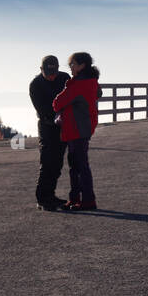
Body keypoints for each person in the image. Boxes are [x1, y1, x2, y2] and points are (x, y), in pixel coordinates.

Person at [52, 51, 101, 210]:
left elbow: (57, 103)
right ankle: (75, 199)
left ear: (82, 65)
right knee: (77, 165)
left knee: (79, 166)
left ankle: (87, 200)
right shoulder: (90, 81)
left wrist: (68, 87)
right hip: (82, 128)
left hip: (77, 129)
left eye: (73, 64)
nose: (71, 67)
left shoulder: (79, 84)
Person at [28, 55, 70, 211]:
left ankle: (50, 195)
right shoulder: (36, 84)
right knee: (47, 162)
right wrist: (57, 114)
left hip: (64, 125)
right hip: (47, 126)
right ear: (41, 70)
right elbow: (42, 109)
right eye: (48, 73)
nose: (52, 76)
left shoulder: (64, 78)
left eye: (54, 73)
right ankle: (42, 199)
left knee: (58, 163)